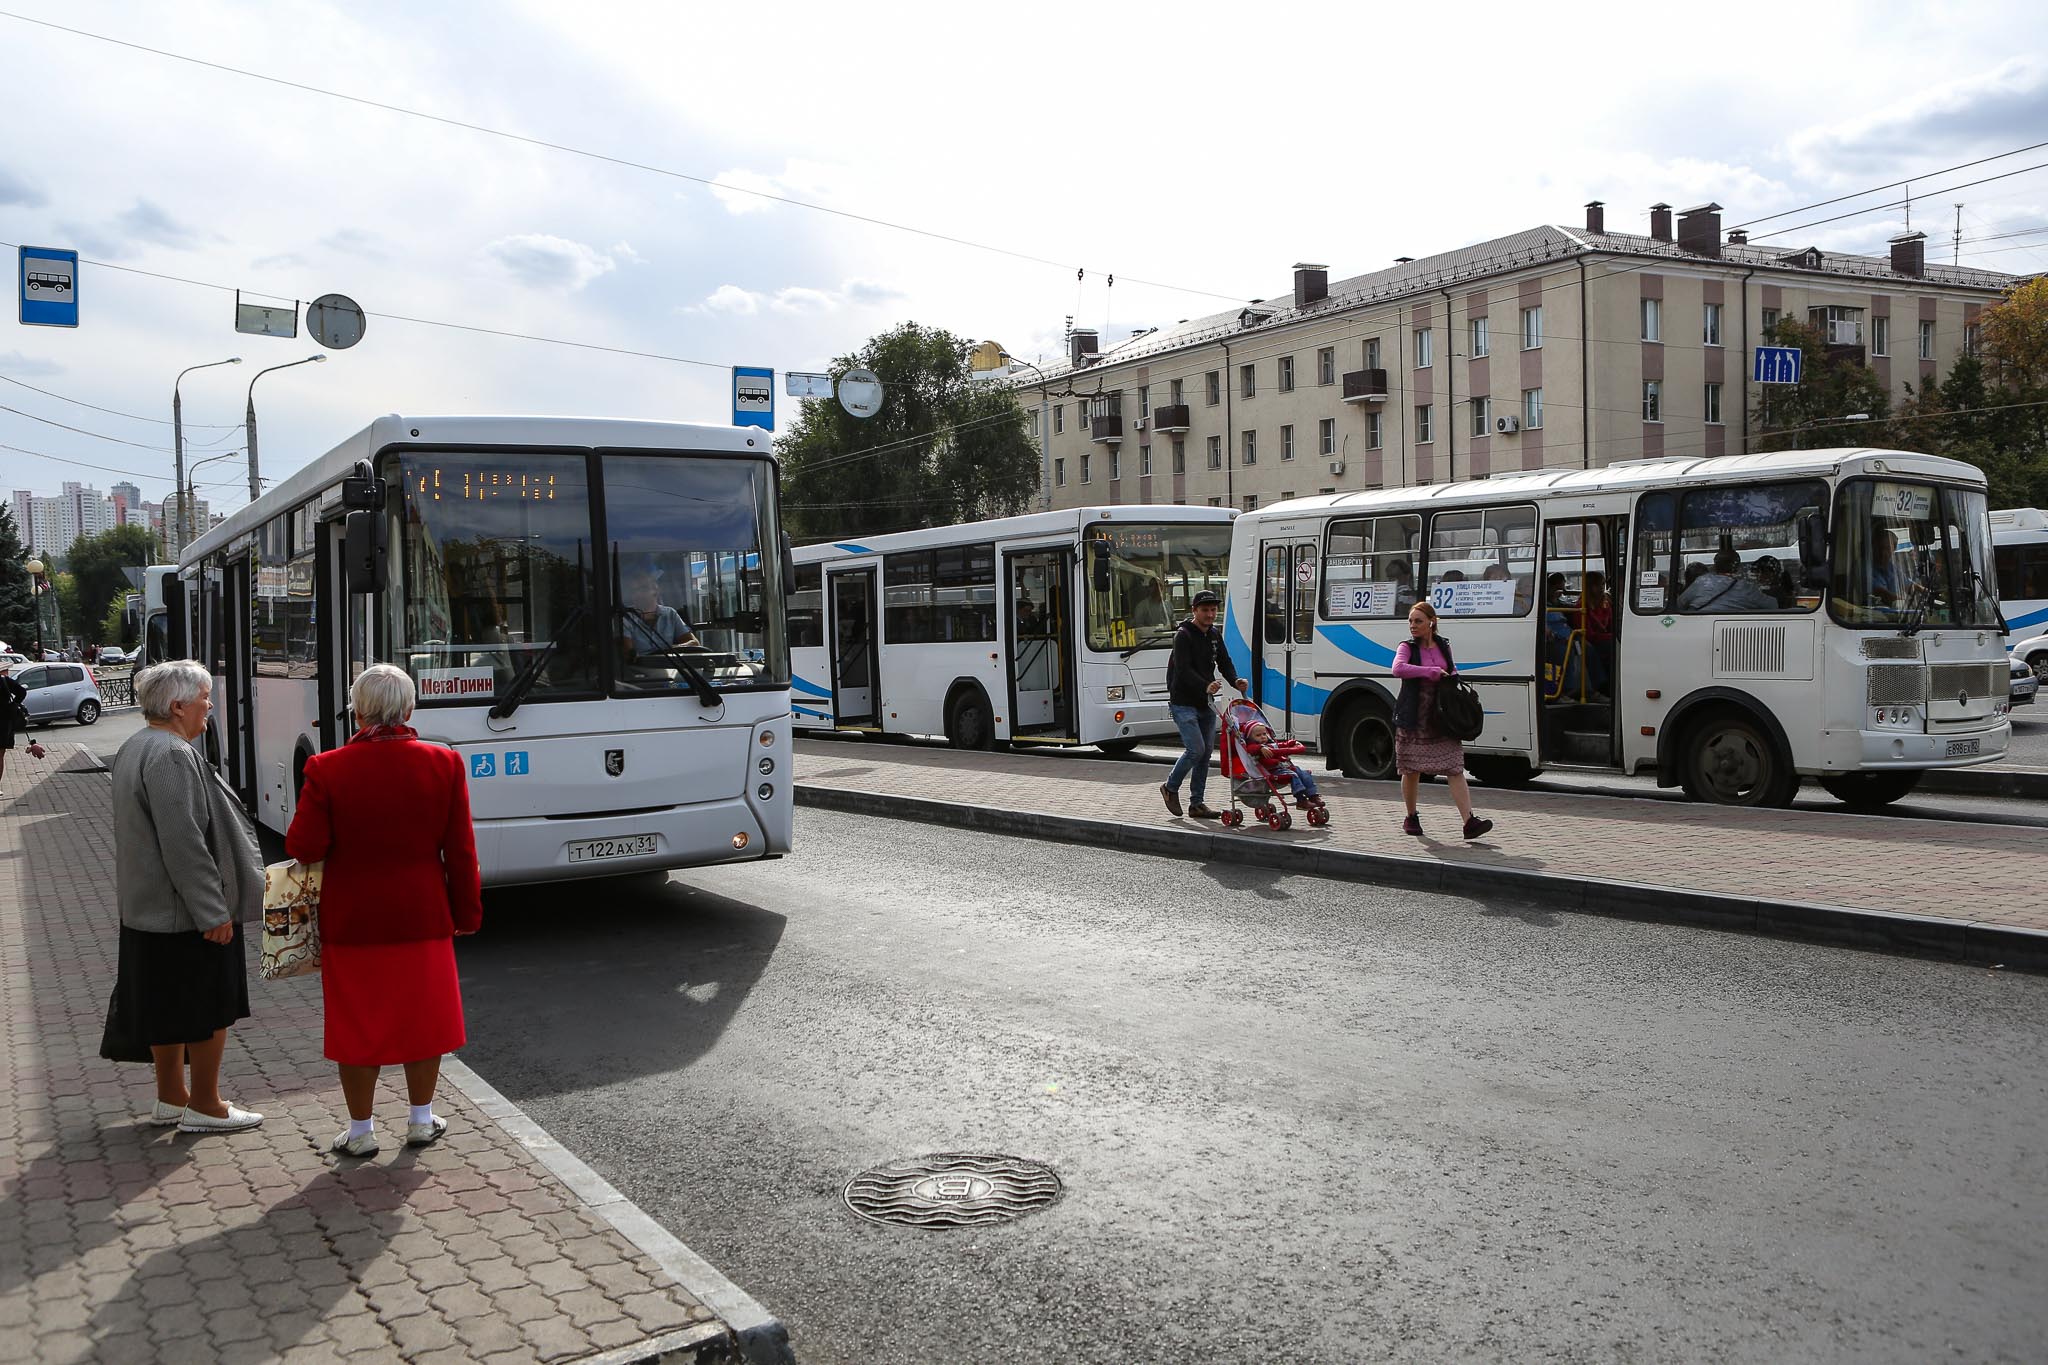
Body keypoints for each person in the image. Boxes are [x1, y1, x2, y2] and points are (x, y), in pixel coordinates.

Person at [287, 665, 481, 1157]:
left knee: (357, 1024)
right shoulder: (444, 763)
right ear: (409, 709)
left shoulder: (327, 768)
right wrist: (467, 913)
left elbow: (304, 845)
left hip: (352, 920)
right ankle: (420, 1120)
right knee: (424, 1019)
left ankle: (360, 1131)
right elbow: (460, 851)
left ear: (357, 710)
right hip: (422, 914)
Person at [104, 660, 264, 1134]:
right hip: (184, 914)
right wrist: (213, 911)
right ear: (177, 706)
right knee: (206, 1006)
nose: (209, 707)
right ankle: (208, 1105)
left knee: (165, 1006)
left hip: (147, 909)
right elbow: (185, 841)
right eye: (203, 699)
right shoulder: (172, 753)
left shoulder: (135, 746)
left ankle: (171, 1097)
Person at [1391, 602, 1493, 841]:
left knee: (1454, 767)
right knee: (1411, 769)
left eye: (1418, 621)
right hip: (1415, 716)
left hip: (1442, 717)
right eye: (1410, 621)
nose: (1413, 626)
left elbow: (1452, 668)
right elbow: (1398, 669)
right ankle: (1411, 816)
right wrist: (1432, 672)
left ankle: (1469, 822)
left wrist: (1454, 677)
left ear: (1431, 622)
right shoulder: (1406, 647)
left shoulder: (1443, 645)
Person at [1160, 590, 1246, 820]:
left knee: (1206, 752)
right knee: (1195, 750)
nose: (1210, 614)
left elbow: (1224, 662)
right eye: (1205, 610)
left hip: (1205, 703)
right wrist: (1205, 685)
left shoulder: (1214, 634)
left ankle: (1196, 804)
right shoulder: (1183, 635)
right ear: (1194, 611)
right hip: (1183, 702)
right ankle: (1170, 787)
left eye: (1213, 610)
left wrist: (1235, 680)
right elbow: (1183, 670)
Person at [1242, 718, 1325, 812]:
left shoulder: (1272, 745)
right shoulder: (1254, 747)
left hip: (1284, 767)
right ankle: (1300, 799)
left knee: (1304, 773)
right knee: (1293, 775)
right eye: (1258, 735)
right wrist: (1260, 748)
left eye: (1264, 734)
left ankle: (1312, 795)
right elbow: (1251, 749)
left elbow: (1282, 745)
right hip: (1271, 772)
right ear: (1250, 738)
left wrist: (1291, 743)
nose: (1263, 737)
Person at [619, 569, 699, 657]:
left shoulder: (670, 614)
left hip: (671, 668)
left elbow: (694, 643)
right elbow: (628, 653)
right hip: (639, 669)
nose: (637, 593)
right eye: (634, 590)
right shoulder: (626, 618)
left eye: (643, 588)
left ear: (656, 591)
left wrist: (674, 649)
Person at [1676, 548, 1776, 613]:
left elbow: (1679, 604)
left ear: (1715, 566)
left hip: (1700, 629)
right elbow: (1773, 605)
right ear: (1737, 568)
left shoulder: (1702, 581)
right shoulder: (1746, 588)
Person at [1, 669, 47, 790]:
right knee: (0, 756)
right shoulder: (4, 680)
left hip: (4, 723)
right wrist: (13, 705)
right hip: (4, 723)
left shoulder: (4, 680)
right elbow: (21, 692)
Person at [1582, 571, 1616, 699]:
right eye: (1597, 585)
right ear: (1590, 586)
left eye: (1603, 584)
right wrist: (1611, 637)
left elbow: (1611, 624)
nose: (1602, 588)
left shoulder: (1605, 602)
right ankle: (1605, 687)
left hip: (1605, 638)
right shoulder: (1582, 606)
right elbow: (1588, 634)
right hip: (1592, 642)